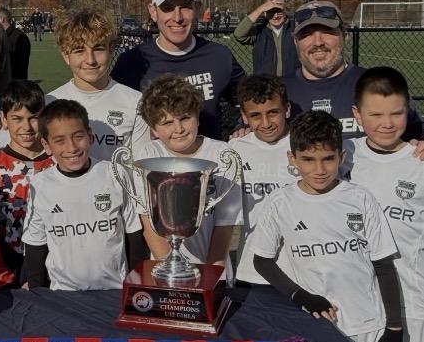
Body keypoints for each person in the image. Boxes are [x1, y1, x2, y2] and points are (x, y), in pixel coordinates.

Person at [249, 109, 404, 342]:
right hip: (317, 326)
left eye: (328, 159)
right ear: (292, 158)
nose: (319, 170)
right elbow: (262, 260)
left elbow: (384, 265)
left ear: (341, 157)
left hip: (368, 324)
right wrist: (301, 297)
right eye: (308, 159)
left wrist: (395, 328)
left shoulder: (360, 198)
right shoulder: (280, 202)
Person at [340, 67, 424, 342]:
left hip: (412, 292)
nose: (387, 123)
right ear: (356, 115)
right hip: (356, 298)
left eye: (396, 113)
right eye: (375, 114)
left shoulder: (419, 160)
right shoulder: (342, 155)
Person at [22, 99, 144, 291]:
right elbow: (35, 246)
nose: (72, 148)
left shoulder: (114, 174)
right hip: (64, 295)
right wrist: (37, 295)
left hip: (114, 292)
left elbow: (134, 234)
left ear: (90, 136)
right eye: (59, 141)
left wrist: (136, 288)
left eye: (78, 136)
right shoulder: (40, 185)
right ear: (46, 145)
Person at [111, 0, 245, 139]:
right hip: (149, 156)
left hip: (208, 155)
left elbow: (252, 101)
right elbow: (111, 113)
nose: (177, 18)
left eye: (185, 7)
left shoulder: (219, 56)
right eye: (168, 8)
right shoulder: (131, 62)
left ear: (197, 9)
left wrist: (244, 126)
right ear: (153, 12)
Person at [132, 74, 242, 278]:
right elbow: (147, 220)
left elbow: (225, 225)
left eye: (185, 118)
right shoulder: (148, 155)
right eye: (167, 122)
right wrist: (171, 272)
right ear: (153, 130)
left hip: (212, 269)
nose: (179, 129)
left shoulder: (223, 154)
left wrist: (213, 275)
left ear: (197, 116)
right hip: (166, 272)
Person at [283, 1, 422, 141]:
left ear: (345, 36)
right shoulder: (278, 91)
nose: (318, 42)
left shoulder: (379, 84)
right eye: (307, 34)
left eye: (327, 32)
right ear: (295, 42)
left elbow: (417, 134)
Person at [0, 80, 53, 290]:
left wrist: (46, 276)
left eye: (33, 118)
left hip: (53, 269)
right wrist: (1, 278)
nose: (26, 127)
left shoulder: (57, 165)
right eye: (17, 118)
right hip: (6, 268)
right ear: (3, 119)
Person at [47, 9, 150, 161]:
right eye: (79, 51)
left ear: (111, 49)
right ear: (66, 55)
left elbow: (141, 165)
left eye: (98, 49)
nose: (90, 60)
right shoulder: (49, 103)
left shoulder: (135, 102)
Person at [230, 75, 297, 286]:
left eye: (273, 112)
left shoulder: (304, 144)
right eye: (255, 116)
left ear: (287, 109)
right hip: (250, 271)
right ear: (244, 116)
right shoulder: (235, 150)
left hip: (301, 273)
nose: (266, 123)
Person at [233, 0, 299, 76]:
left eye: (279, 11)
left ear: (285, 10)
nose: (275, 16)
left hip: (291, 80)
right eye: (271, 11)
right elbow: (238, 34)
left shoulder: (296, 29)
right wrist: (260, 9)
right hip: (265, 82)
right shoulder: (259, 31)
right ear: (265, 12)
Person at [0, 6, 30, 80]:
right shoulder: (1, 36)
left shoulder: (20, 37)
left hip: (14, 82)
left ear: (1, 19)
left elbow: (21, 65)